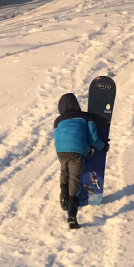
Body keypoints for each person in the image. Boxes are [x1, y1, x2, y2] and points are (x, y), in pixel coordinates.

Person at [53, 92, 106, 230]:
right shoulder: (86, 117)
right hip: (76, 151)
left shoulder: (58, 121)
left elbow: (56, 137)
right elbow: (93, 138)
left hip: (60, 151)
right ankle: (72, 216)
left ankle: (63, 198)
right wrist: (103, 146)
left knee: (64, 171)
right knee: (75, 180)